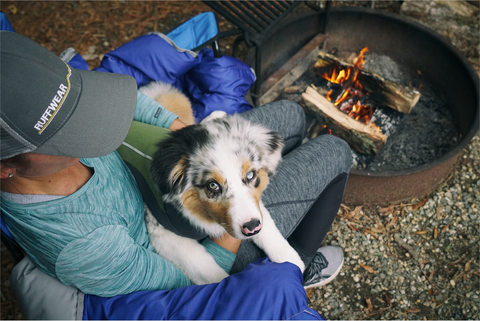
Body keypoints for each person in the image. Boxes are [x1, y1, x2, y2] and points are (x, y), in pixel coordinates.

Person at [0, 31, 352, 319]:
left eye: (79, 107)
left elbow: (115, 101)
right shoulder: (85, 246)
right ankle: (298, 268)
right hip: (191, 244)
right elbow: (189, 285)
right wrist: (240, 210)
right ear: (5, 168)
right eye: (64, 132)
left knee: (291, 115)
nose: (88, 124)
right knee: (335, 152)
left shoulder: (33, 106)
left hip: (157, 173)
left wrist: (189, 134)